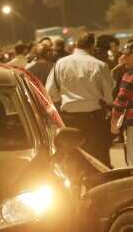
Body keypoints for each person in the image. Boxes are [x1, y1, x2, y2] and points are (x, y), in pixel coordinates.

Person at [46, 32, 116, 166]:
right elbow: (109, 97)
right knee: (97, 158)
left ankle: (75, 184)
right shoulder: (100, 65)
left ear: (76, 45)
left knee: (72, 158)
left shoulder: (60, 63)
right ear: (92, 46)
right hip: (94, 120)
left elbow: (51, 93)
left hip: (69, 119)